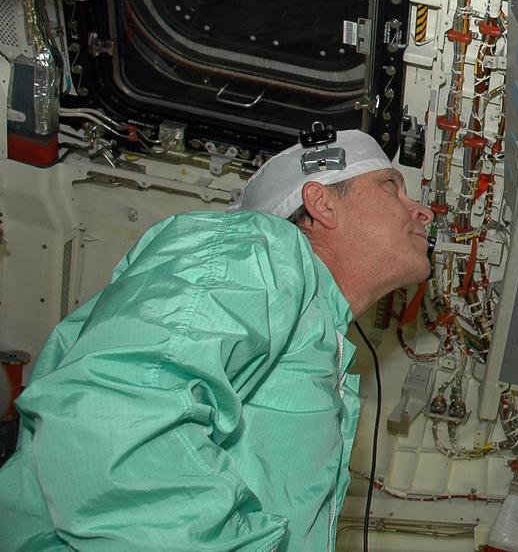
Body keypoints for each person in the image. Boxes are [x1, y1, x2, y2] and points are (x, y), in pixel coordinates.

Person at [0, 128, 433, 551]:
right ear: (321, 203)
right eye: (391, 187)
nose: (422, 211)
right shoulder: (255, 248)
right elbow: (110, 422)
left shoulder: (319, 334)